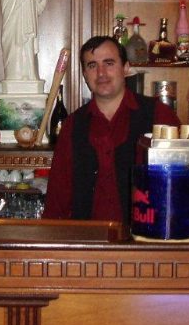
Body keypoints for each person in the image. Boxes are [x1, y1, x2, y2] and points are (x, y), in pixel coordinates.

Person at [43, 36, 180, 222]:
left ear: (126, 68)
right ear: (85, 75)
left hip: (146, 235)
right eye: (92, 65)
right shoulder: (72, 125)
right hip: (86, 237)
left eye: (109, 63)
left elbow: (179, 187)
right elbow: (57, 197)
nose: (101, 73)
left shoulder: (159, 115)